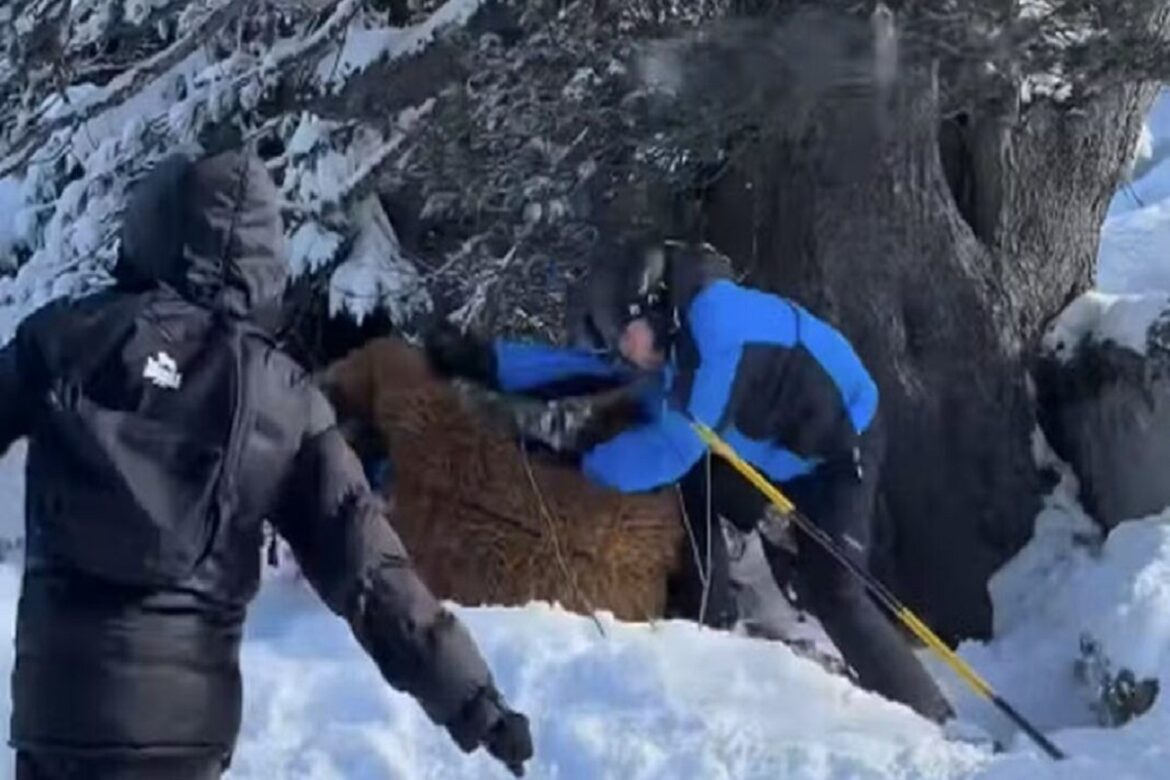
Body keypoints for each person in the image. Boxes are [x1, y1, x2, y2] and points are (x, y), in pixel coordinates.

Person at [0, 149, 532, 779]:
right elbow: (367, 565)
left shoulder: (62, 338)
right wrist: (473, 701)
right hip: (188, 730)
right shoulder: (282, 398)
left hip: (60, 709)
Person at [424, 235, 954, 724]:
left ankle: (936, 721)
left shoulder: (716, 329)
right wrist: (484, 362)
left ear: (652, 308)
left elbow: (669, 449)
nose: (622, 349)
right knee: (692, 479)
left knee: (836, 588)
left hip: (838, 451)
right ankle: (718, 612)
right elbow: (590, 369)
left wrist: (576, 469)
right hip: (765, 444)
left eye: (625, 334)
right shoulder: (671, 331)